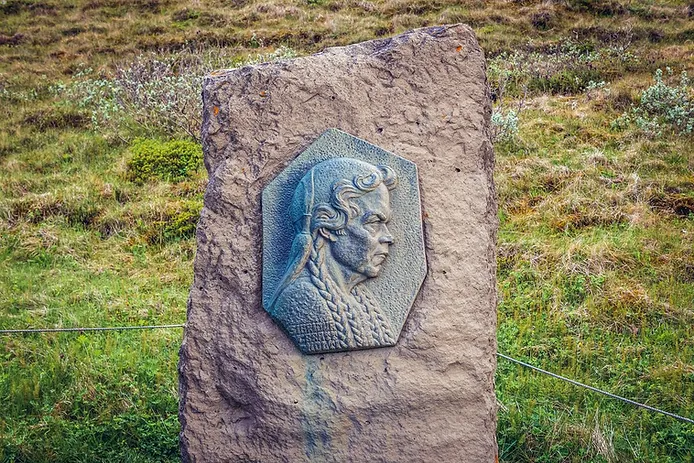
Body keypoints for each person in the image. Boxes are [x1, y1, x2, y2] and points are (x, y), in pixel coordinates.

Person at [268, 158, 397, 354]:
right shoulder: (304, 303)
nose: (388, 237)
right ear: (328, 227)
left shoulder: (357, 297)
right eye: (373, 223)